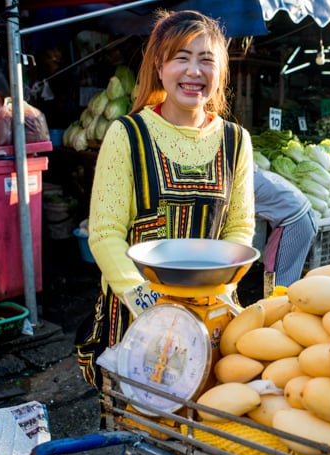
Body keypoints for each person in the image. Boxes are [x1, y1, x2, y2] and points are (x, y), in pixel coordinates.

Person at [76, 10, 255, 391]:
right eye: (181, 58)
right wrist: (151, 307)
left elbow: (240, 226)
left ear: (221, 72)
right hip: (135, 318)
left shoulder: (236, 141)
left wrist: (216, 297)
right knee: (140, 434)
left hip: (210, 317)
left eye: (206, 60)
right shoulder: (127, 134)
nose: (194, 72)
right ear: (160, 66)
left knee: (203, 429)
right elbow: (105, 233)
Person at [254, 167, 318, 288]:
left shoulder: (244, 183)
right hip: (306, 216)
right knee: (287, 275)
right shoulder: (259, 174)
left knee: (277, 278)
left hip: (293, 222)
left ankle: (274, 305)